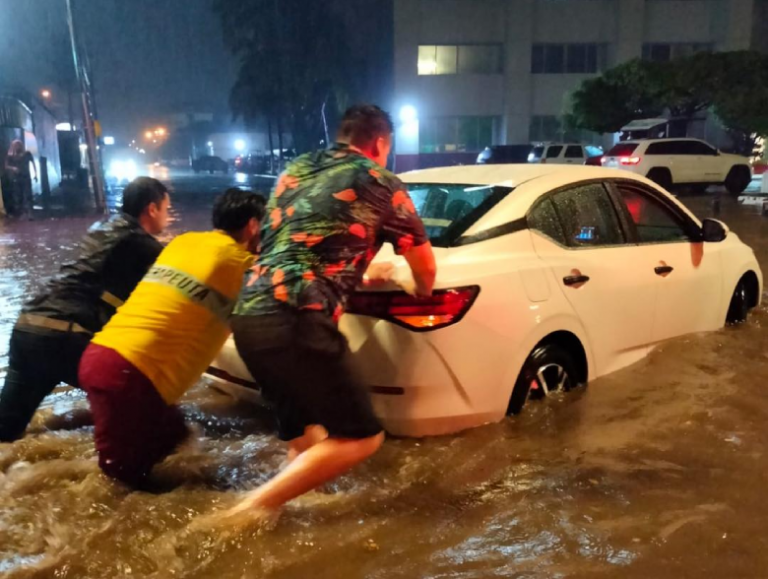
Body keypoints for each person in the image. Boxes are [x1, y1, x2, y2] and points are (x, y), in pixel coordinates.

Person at [221, 104, 437, 522]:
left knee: (306, 436)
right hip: (297, 317)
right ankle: (242, 514)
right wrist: (415, 287)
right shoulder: (381, 179)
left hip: (249, 314)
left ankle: (288, 516)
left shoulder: (295, 170)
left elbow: (297, 241)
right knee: (362, 437)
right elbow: (425, 270)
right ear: (379, 142)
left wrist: (357, 270)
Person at [78, 188, 265, 486]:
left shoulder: (183, 242)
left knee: (175, 437)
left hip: (101, 356)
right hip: (130, 376)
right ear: (254, 225)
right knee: (124, 483)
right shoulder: (242, 265)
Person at [0, 177, 170, 442]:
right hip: (66, 337)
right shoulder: (142, 245)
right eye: (167, 209)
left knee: (5, 432)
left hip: (28, 330)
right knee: (141, 405)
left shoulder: (101, 227)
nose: (167, 217)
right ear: (152, 209)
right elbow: (180, 286)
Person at [5, 140, 38, 218]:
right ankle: (22, 212)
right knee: (18, 195)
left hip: (26, 177)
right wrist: (13, 168)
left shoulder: (27, 154)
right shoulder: (11, 156)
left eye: (19, 145)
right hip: (17, 177)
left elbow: (33, 163)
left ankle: (30, 213)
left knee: (28, 195)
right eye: (16, 145)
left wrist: (35, 174)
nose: (18, 147)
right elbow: (6, 166)